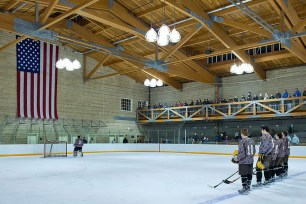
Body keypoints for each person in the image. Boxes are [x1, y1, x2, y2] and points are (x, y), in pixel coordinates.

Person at [233, 128, 255, 194]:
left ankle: (245, 187)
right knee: (249, 173)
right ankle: (248, 186)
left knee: (243, 174)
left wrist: (237, 158)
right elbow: (254, 151)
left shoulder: (242, 141)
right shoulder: (251, 140)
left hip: (244, 161)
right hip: (250, 160)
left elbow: (242, 153)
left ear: (242, 134)